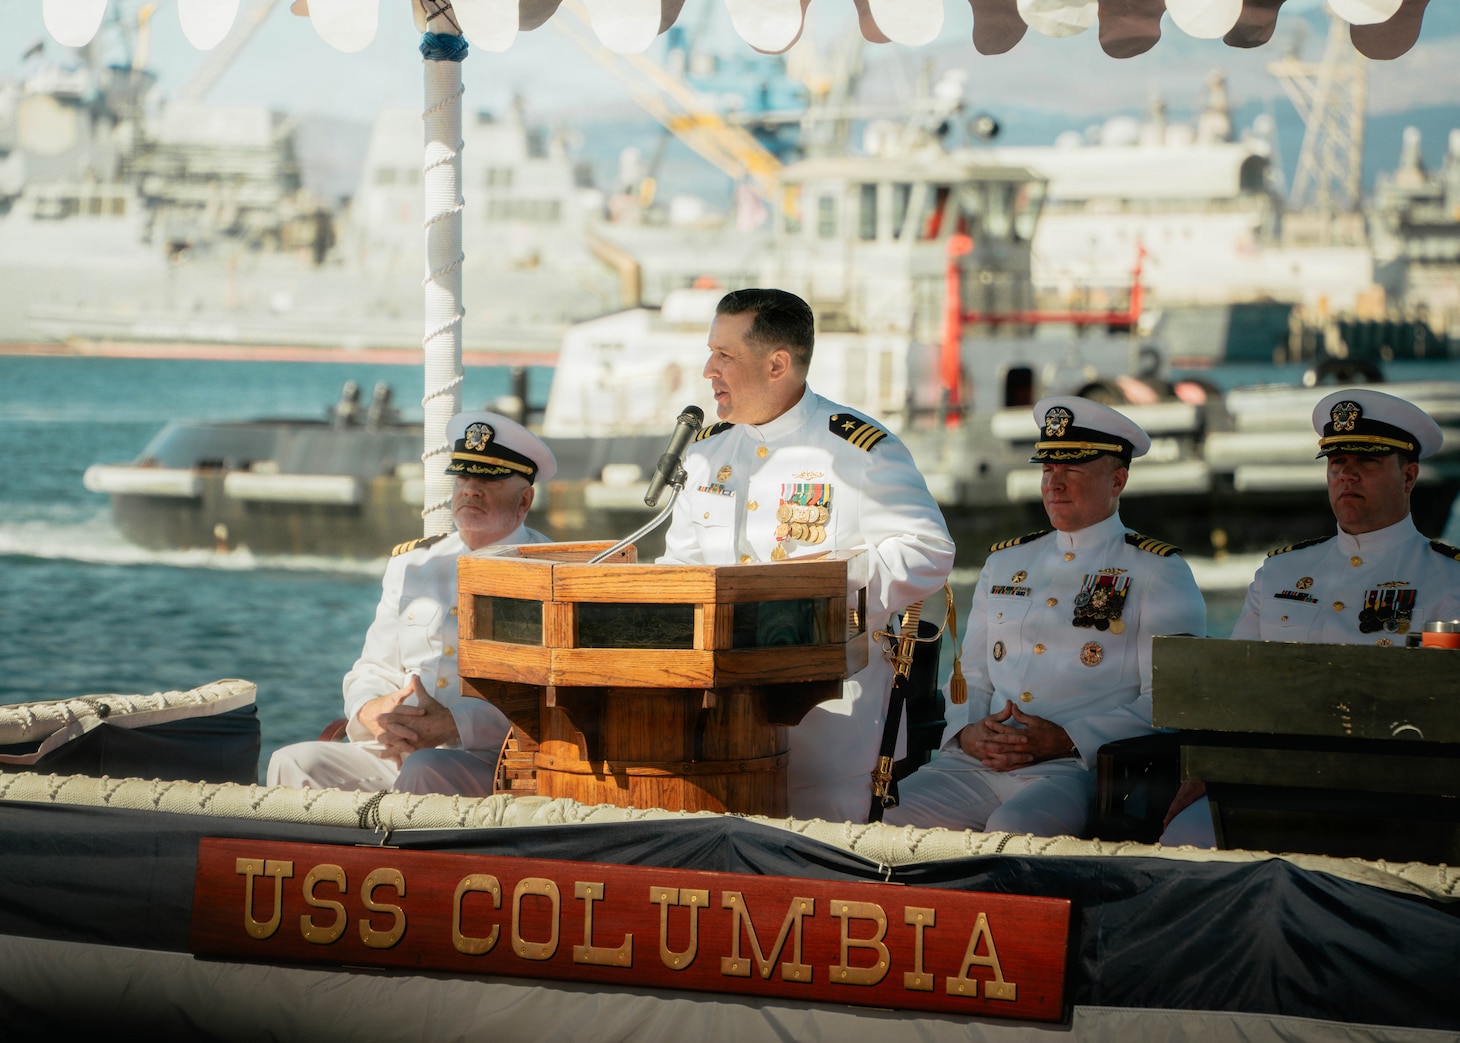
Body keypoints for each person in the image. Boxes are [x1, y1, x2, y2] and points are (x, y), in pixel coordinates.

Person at [658, 287, 955, 823]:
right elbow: (679, 570)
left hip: (828, 731)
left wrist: (820, 605)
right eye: (711, 352)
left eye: (725, 355)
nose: (708, 370)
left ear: (778, 364)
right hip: (716, 727)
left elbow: (928, 550)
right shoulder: (704, 455)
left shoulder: (859, 449)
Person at [883, 397, 1207, 837]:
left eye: (1072, 469)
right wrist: (966, 733)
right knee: (882, 823)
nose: (1055, 483)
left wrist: (1069, 738)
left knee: (1014, 830)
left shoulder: (1158, 571)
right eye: (1047, 469)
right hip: (976, 763)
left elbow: (1171, 702)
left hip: (1073, 770)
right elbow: (972, 676)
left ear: (1118, 479)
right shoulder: (1005, 562)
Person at [1162, 387, 1460, 844]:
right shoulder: (1281, 570)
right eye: (1338, 464)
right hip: (1268, 778)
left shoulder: (1447, 579)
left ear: (1409, 476)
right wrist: (1207, 766)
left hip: (1389, 790)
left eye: (1368, 463)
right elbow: (1232, 688)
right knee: (1182, 838)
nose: (1347, 476)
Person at [267, 410, 556, 795]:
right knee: (292, 762)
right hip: (402, 748)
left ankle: (390, 858)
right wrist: (371, 710)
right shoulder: (412, 564)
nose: (470, 489)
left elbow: (554, 696)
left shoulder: (555, 571)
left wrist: (455, 723)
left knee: (426, 767)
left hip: (499, 761)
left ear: (525, 500)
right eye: (464, 476)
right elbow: (372, 668)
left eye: (488, 479)